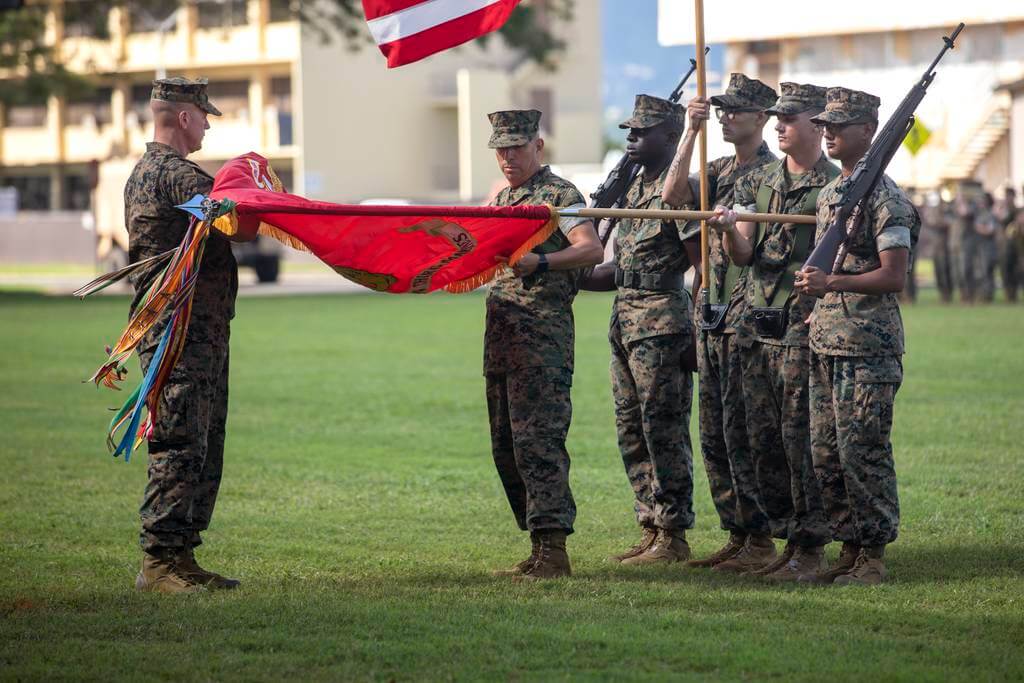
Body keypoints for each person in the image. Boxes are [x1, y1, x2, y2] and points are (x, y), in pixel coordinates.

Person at [706, 83, 839, 581]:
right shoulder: (758, 180)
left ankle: (810, 546)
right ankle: (780, 541)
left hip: (801, 329)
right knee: (762, 442)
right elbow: (744, 254)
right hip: (755, 327)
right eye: (777, 118)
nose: (779, 125)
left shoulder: (833, 185)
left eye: (790, 118)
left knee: (802, 441)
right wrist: (725, 229)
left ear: (816, 125)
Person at [796, 86, 920, 585]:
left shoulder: (887, 199)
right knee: (826, 452)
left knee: (862, 450)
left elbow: (894, 276)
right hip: (826, 339)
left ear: (869, 131)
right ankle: (848, 547)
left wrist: (833, 283)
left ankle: (873, 554)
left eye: (838, 126)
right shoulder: (831, 194)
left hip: (867, 345)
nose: (827, 133)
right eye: (824, 125)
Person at [661, 74, 785, 568]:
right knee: (713, 433)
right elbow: (672, 196)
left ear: (762, 118)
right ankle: (737, 531)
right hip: (710, 313)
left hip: (748, 316)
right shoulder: (716, 169)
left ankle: (759, 538)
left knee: (747, 431)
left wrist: (731, 230)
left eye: (736, 110)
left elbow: (750, 252)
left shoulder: (771, 177)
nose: (725, 117)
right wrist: (689, 133)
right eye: (721, 110)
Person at [125, 77, 239, 593]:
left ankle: (182, 556)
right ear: (186, 117)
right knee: (180, 442)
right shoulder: (177, 176)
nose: (209, 126)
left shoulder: (146, 172)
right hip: (183, 333)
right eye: (205, 116)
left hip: (196, 331)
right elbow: (229, 219)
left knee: (200, 441)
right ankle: (159, 562)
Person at [483, 110, 603, 581]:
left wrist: (543, 261)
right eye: (501, 148)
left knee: (539, 443)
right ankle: (537, 543)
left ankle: (554, 548)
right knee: (506, 445)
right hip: (503, 336)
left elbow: (590, 249)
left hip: (543, 338)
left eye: (516, 146)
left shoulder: (562, 196)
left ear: (539, 146)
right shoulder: (503, 199)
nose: (508, 156)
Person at [582, 95, 701, 565]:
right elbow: (619, 268)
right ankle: (651, 526)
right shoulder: (632, 190)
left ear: (671, 138)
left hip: (663, 325)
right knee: (630, 428)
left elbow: (702, 269)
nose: (631, 139)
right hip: (624, 320)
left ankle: (674, 535)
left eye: (641, 132)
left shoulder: (680, 194)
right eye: (629, 131)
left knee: (663, 428)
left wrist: (695, 332)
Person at [994, 188, 1019, 302]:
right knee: (1005, 270)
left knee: (1015, 270)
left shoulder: (1017, 210)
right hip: (1004, 245)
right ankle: (1008, 294)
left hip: (1016, 245)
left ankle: (1013, 293)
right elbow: (999, 217)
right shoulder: (1002, 209)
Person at [973, 193, 999, 303]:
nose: (980, 203)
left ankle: (988, 296)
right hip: (980, 246)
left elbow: (990, 230)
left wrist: (980, 228)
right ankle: (983, 295)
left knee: (987, 271)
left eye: (982, 200)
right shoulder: (979, 214)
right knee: (981, 271)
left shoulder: (991, 214)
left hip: (988, 247)